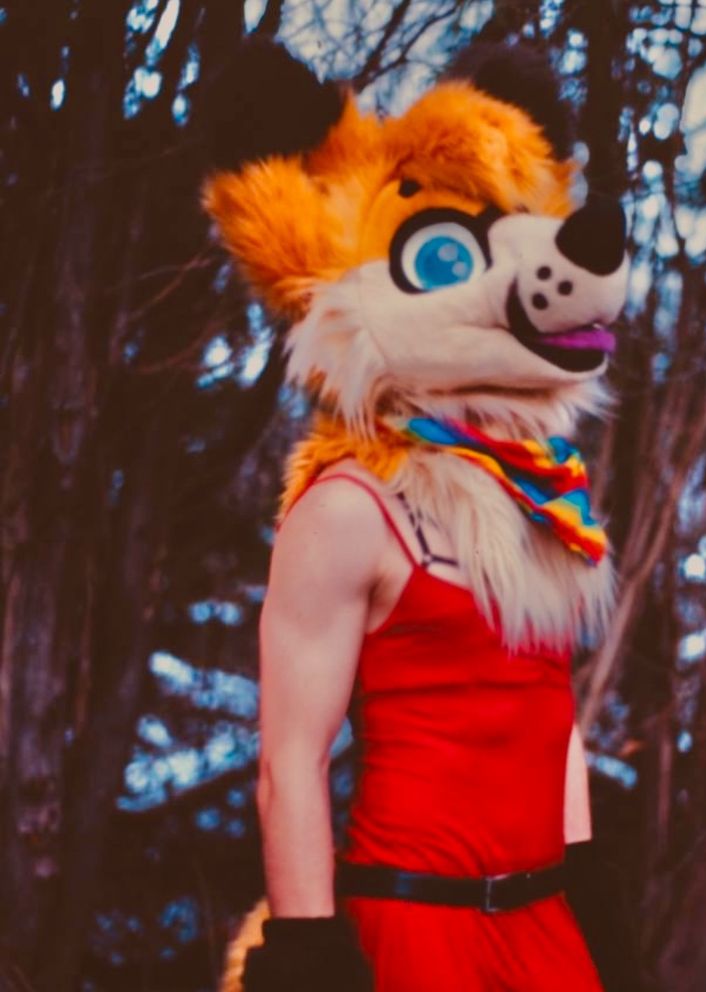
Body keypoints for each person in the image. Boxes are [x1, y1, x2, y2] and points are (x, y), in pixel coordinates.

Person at [201, 38, 639, 992]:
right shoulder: (348, 510)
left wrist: (589, 885)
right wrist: (311, 952)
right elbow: (289, 763)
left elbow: (550, 715)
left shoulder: (537, 497)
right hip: (414, 929)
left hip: (544, 926)